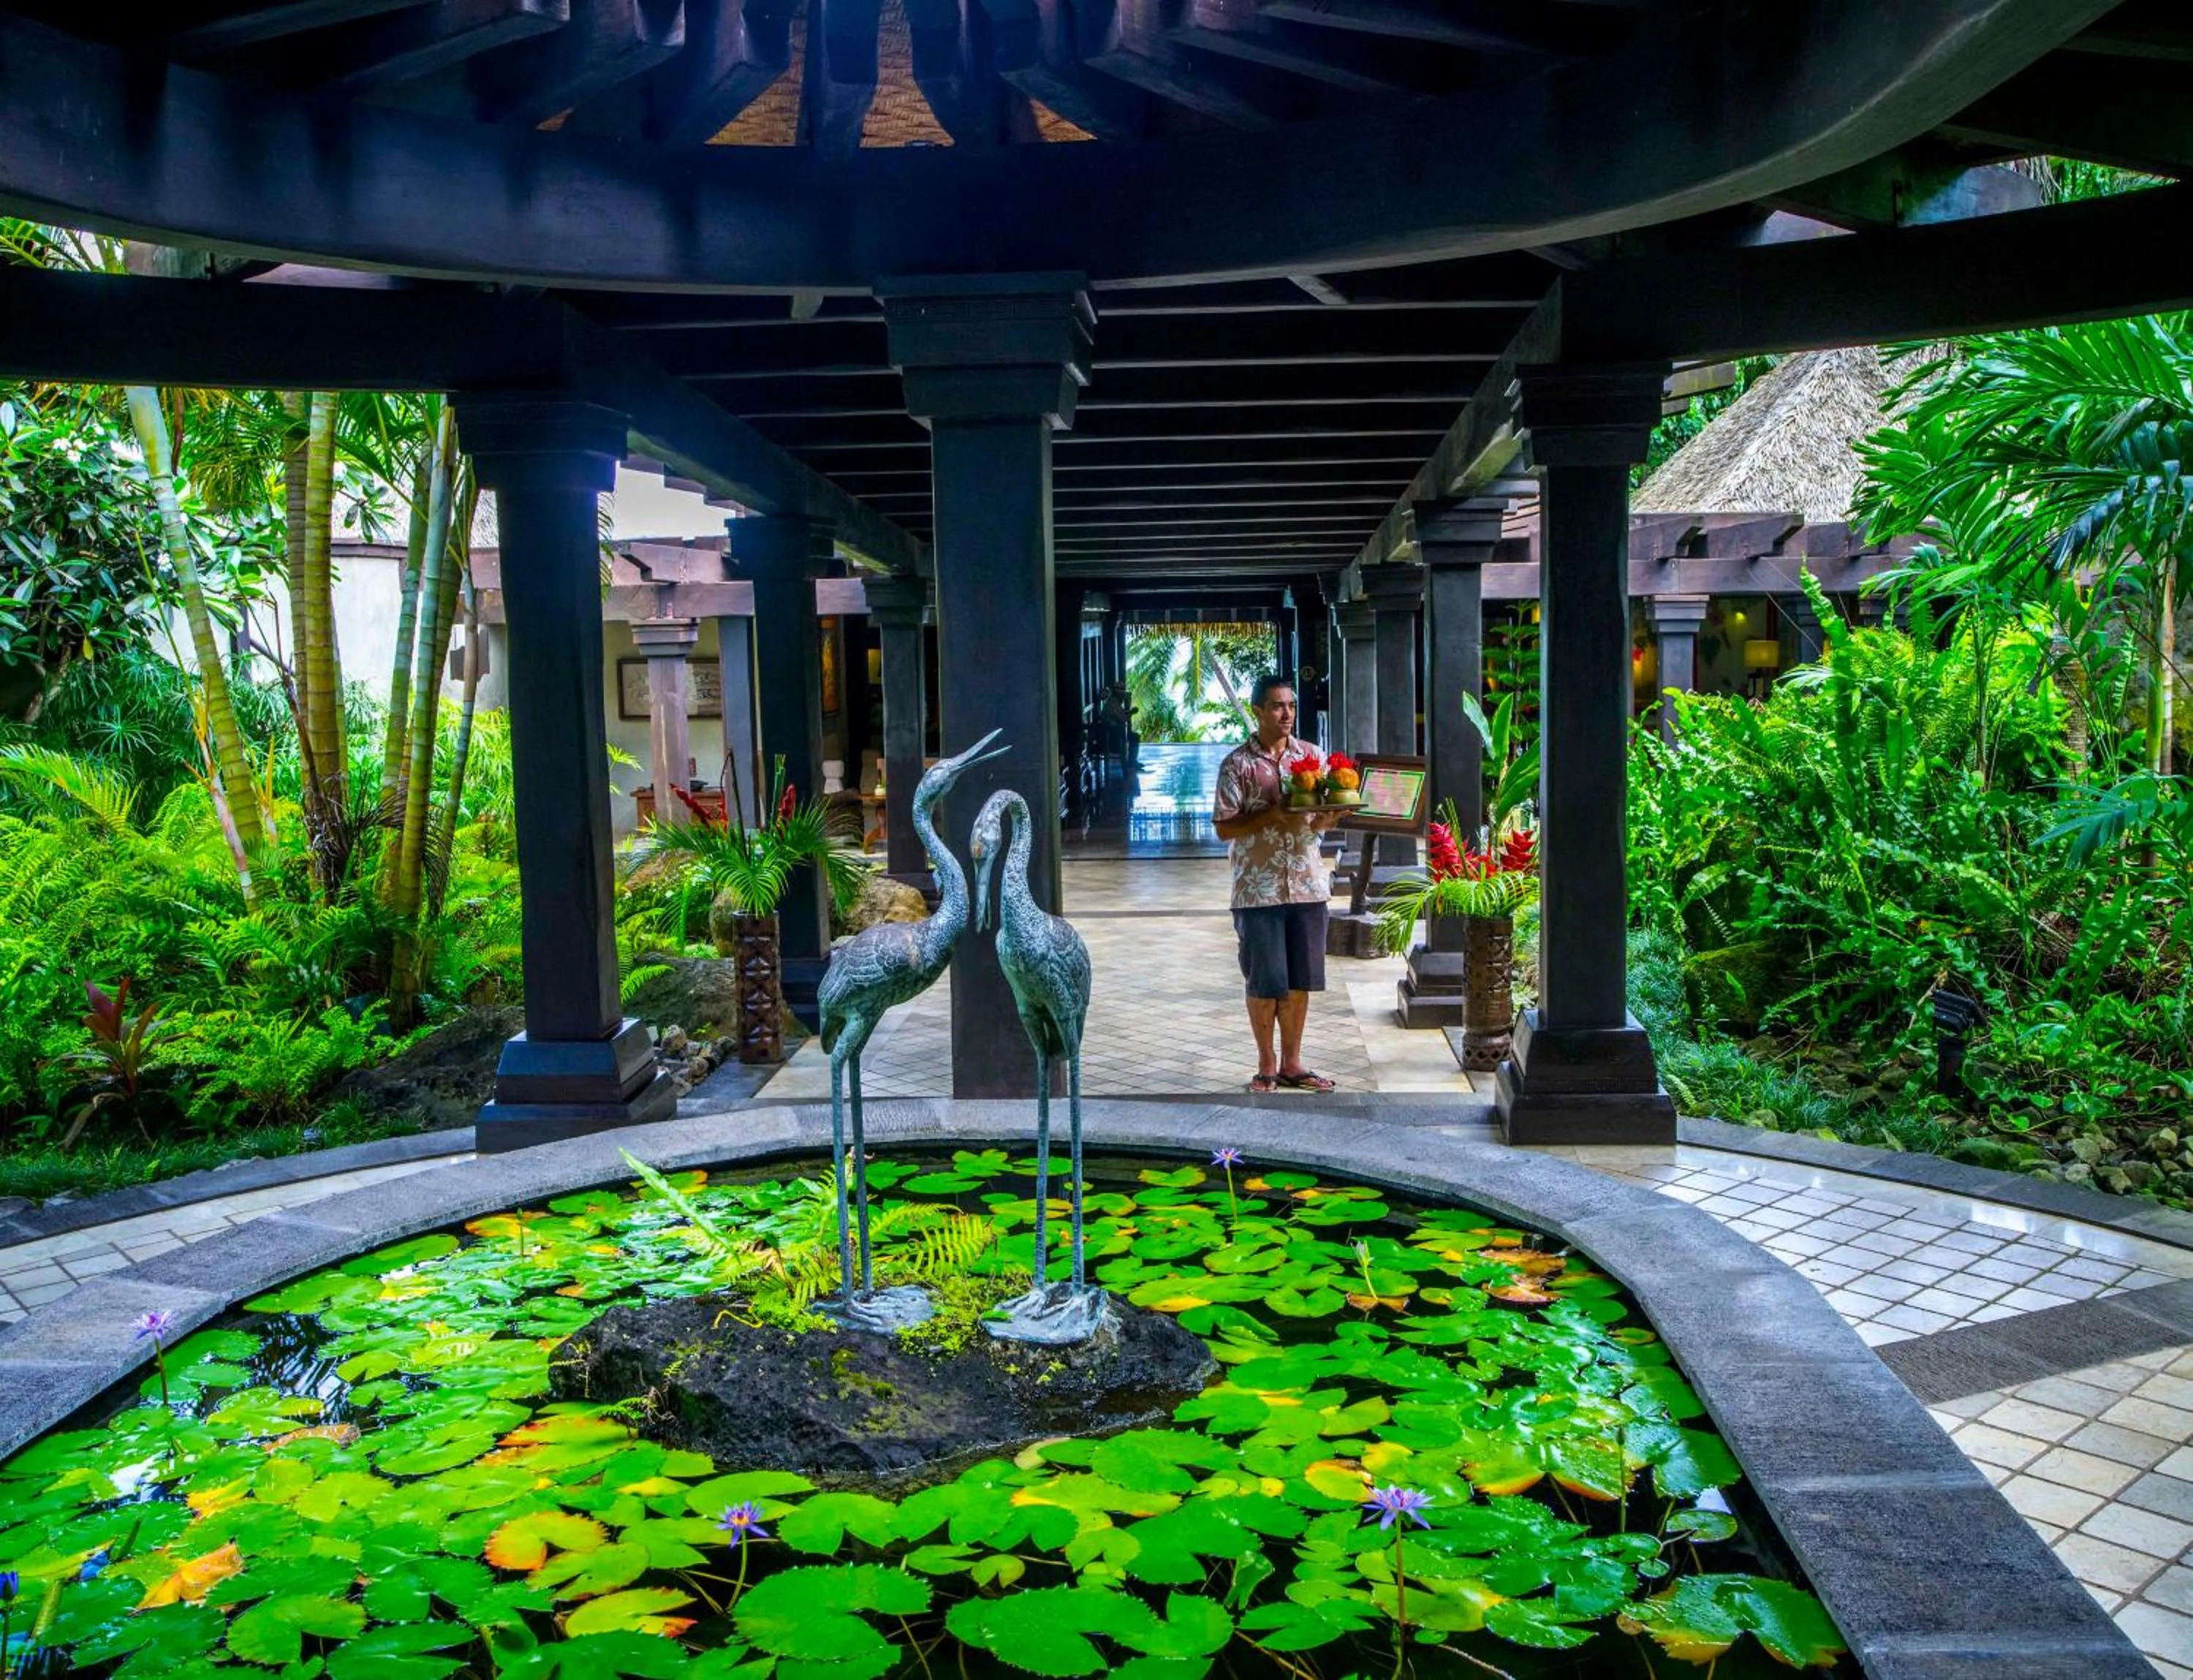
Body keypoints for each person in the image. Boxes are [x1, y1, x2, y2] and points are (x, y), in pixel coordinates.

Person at [1211, 675, 1342, 1092]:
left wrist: (1329, 817)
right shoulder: (1237, 764)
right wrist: (1273, 815)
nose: (1286, 714)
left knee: (1300, 981)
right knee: (1265, 982)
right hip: (1258, 890)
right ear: (1258, 710)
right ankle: (1266, 1065)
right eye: (1276, 706)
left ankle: (1293, 1062)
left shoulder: (1313, 757)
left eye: (1290, 706)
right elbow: (1223, 828)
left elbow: (1320, 818)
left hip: (1307, 884)